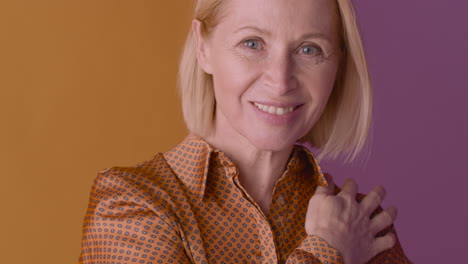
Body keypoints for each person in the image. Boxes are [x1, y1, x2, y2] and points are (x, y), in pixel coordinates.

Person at [79, 0, 413, 263]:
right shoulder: (132, 206)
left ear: (338, 65)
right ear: (203, 47)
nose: (280, 81)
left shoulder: (357, 223)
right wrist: (328, 251)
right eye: (252, 43)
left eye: (309, 49)